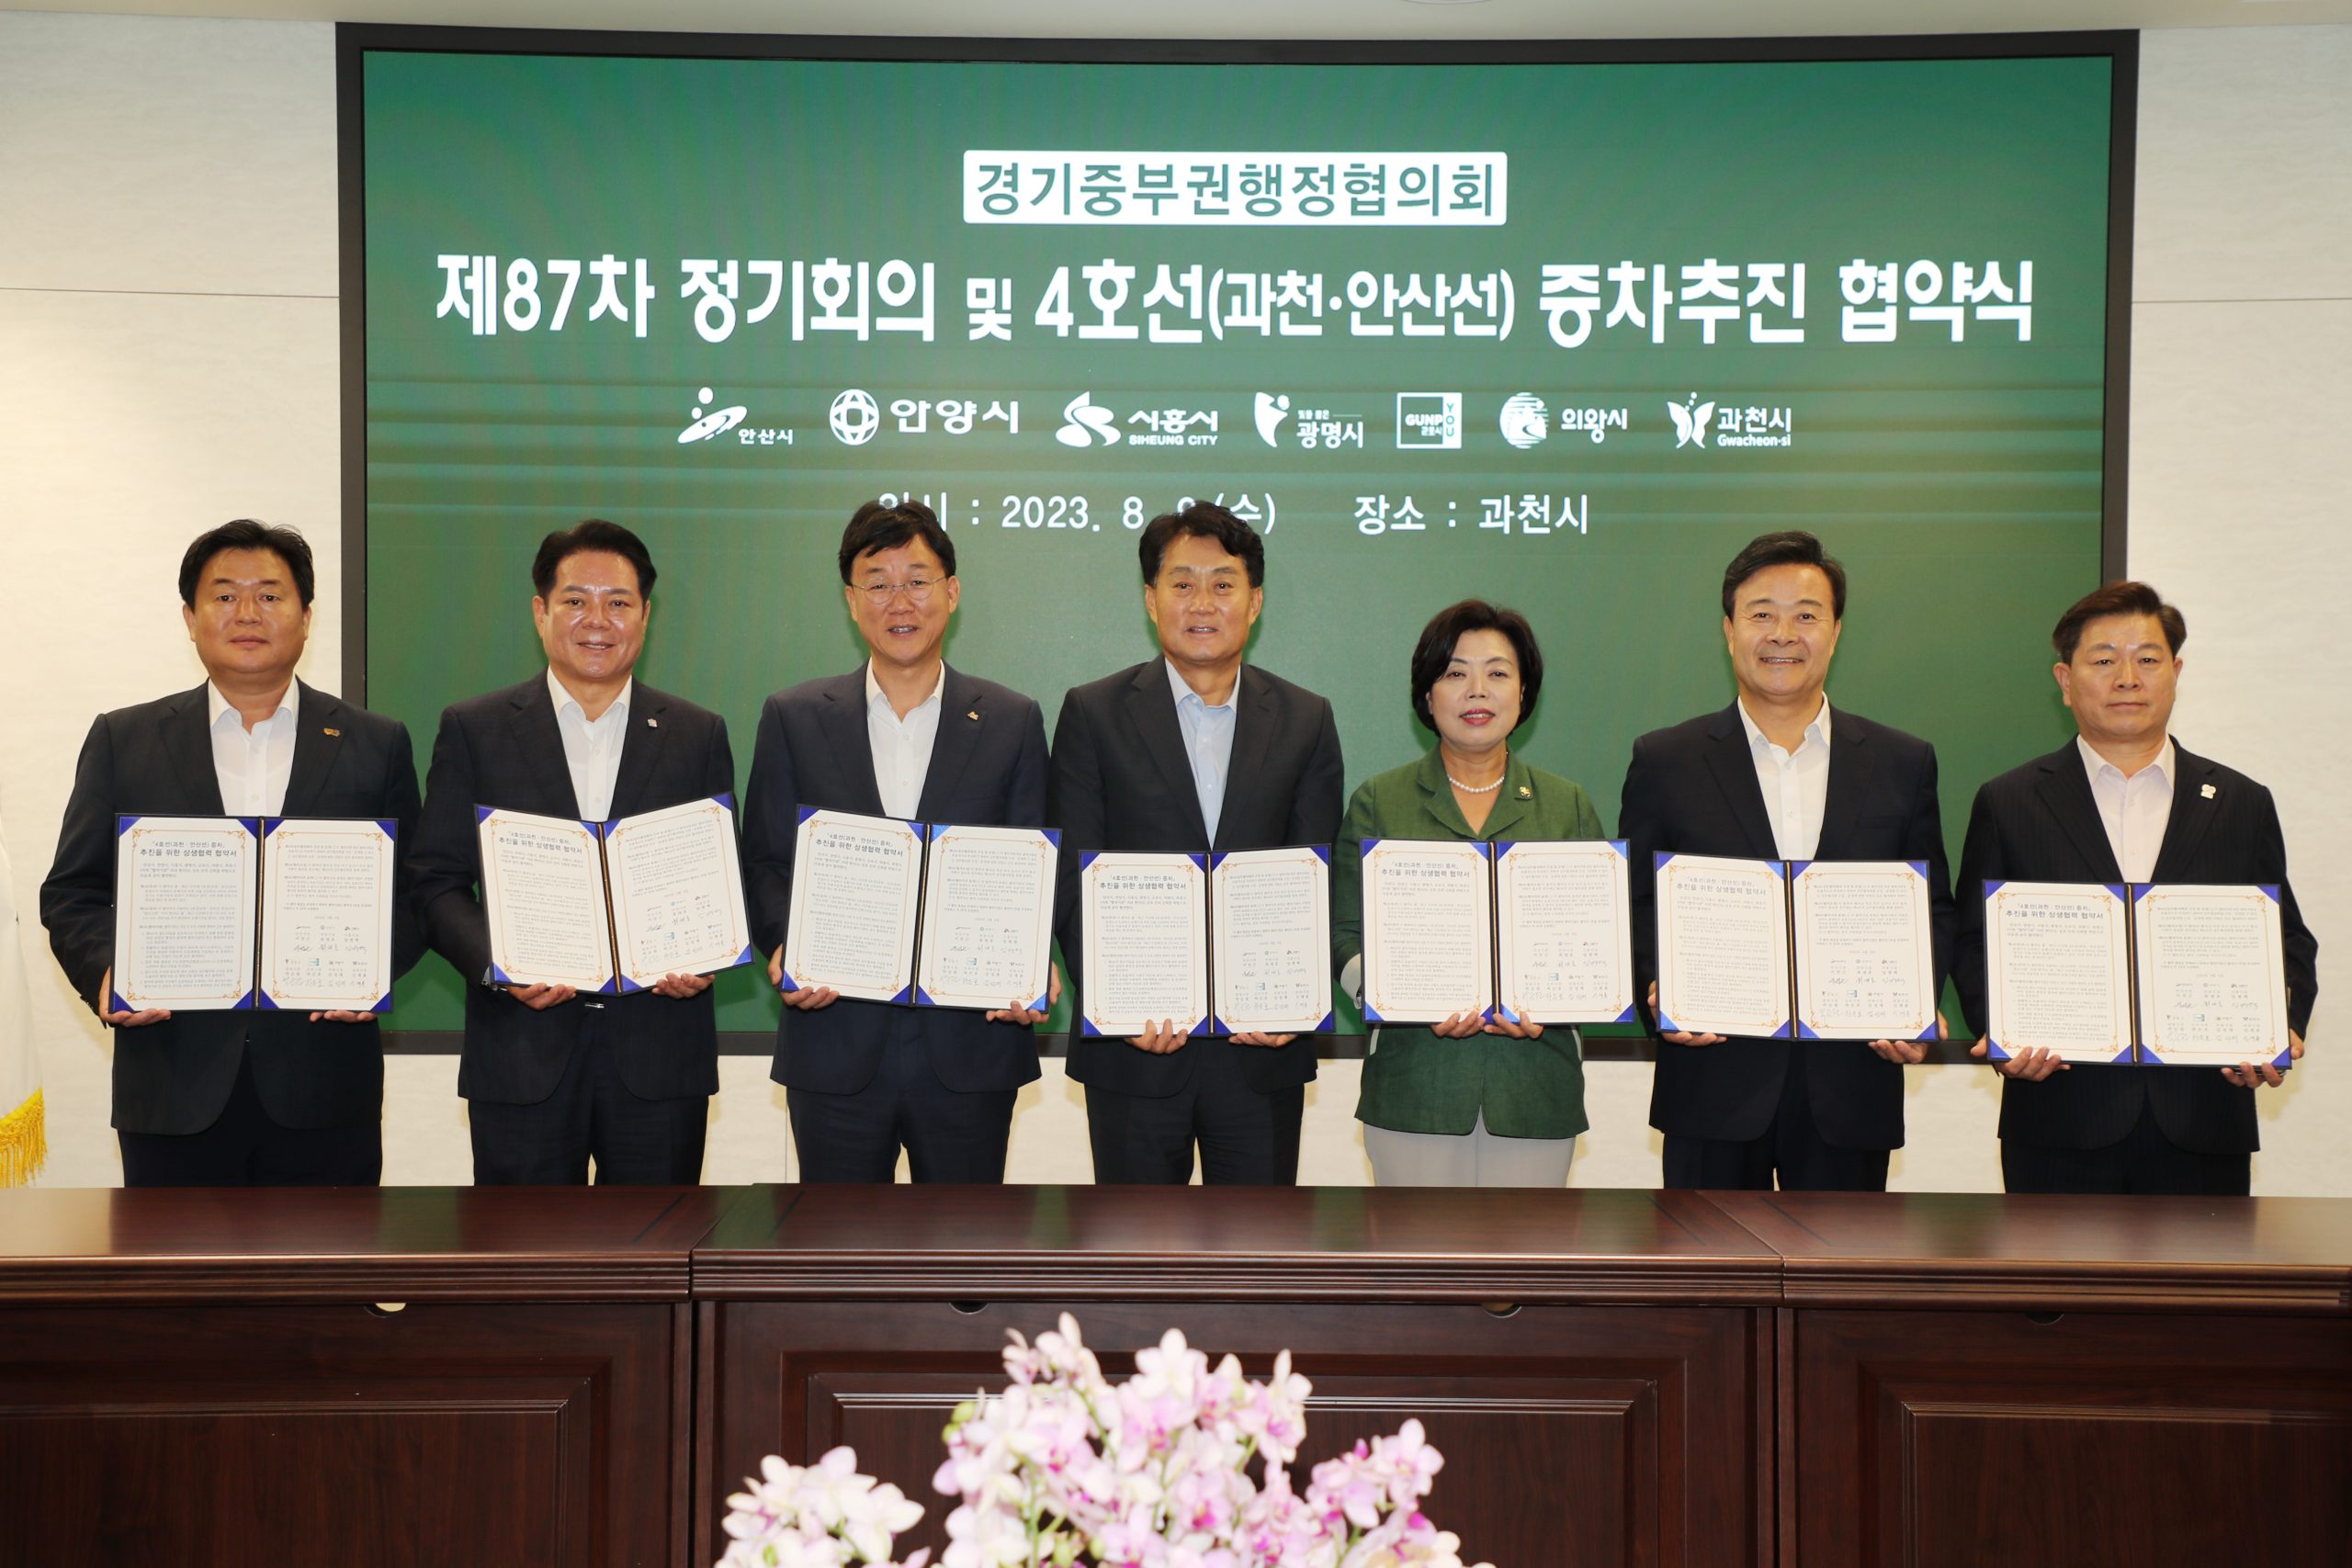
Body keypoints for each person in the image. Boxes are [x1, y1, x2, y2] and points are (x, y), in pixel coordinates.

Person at [40, 520, 422, 1185]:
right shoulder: (124, 740)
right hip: (171, 1086)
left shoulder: (375, 742)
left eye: (270, 595)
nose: (247, 612)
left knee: (325, 1258)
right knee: (176, 1260)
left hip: (325, 1088)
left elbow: (417, 891)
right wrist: (106, 972)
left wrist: (371, 971)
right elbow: (73, 891)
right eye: (223, 596)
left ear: (306, 617)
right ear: (190, 619)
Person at [1619, 530, 1954, 1191]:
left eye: (1805, 615)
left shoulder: (1901, 762)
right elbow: (1636, 903)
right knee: (1707, 1261)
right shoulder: (1666, 760)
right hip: (1712, 1080)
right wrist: (1659, 990)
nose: (1782, 634)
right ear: (1729, 630)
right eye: (1761, 614)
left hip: (1852, 1083)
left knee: (1844, 1262)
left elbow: (1933, 904)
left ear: (1835, 632)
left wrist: (1917, 1000)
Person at [1956, 581, 2316, 1195]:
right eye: (2103, 660)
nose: (2127, 678)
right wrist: (2002, 1033)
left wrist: (2277, 1028)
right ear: (2065, 680)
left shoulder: (2240, 802)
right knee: (2054, 1267)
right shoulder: (2009, 801)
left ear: (2176, 673)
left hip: (2204, 1118)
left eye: (2147, 659)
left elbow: (2287, 942)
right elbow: (1972, 943)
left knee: (2202, 1268)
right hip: (2058, 1118)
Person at [411, 519, 733, 1185]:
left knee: (659, 1246)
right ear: (541, 612)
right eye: (576, 600)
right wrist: (500, 964)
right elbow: (436, 880)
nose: (597, 621)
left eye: (618, 602)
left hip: (659, 1059)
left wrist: (704, 958)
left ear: (645, 615)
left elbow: (722, 877)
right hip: (520, 1055)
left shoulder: (697, 734)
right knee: (523, 1250)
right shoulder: (475, 729)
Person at [740, 499, 1053, 1182]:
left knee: (967, 1246)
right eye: (877, 583)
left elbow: (1033, 870)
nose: (899, 601)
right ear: (852, 601)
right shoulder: (794, 717)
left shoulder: (1013, 720)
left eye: (917, 580)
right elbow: (764, 860)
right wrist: (785, 944)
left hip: (970, 1048)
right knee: (837, 1243)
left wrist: (1033, 960)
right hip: (834, 1044)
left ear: (952, 592)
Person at [1049, 501, 1343, 1185]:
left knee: (1260, 1244)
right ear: (1151, 599)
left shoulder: (1305, 718)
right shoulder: (1093, 713)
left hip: (1261, 1051)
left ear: (1255, 601)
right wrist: (1118, 1004)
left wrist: (1292, 1002)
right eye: (1182, 583)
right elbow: (1072, 879)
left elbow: (1316, 876)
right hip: (1134, 1049)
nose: (1203, 603)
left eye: (1223, 584)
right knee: (1134, 1244)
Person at [1331, 600, 1602, 1186]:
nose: (1477, 690)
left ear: (1523, 694)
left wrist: (1558, 1006)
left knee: (1527, 1250)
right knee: (1414, 1248)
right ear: (1428, 695)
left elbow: (1599, 944)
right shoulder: (1380, 801)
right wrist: (1399, 998)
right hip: (1415, 1088)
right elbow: (1343, 933)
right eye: (1455, 673)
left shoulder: (1568, 805)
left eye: (1497, 672)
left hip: (1534, 1089)